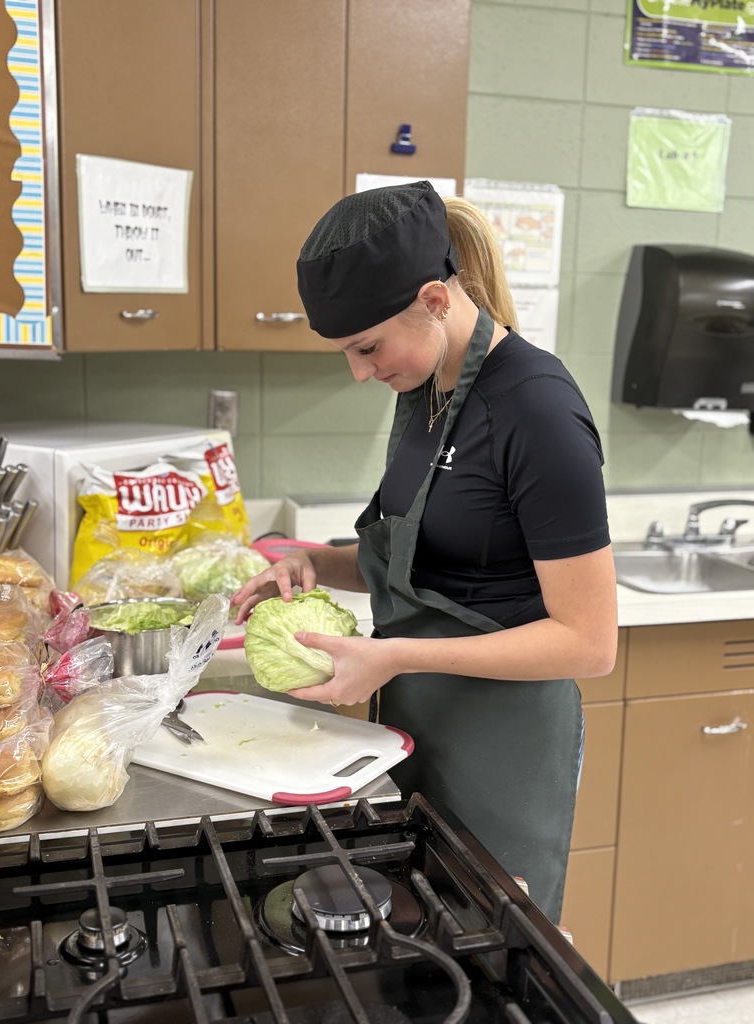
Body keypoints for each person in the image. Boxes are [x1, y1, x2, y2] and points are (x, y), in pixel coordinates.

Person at [231, 180, 617, 924]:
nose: (359, 370)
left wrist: (399, 655)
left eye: (366, 346)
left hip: (501, 753)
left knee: (488, 952)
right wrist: (315, 559)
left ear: (436, 301)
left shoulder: (537, 411)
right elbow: (424, 556)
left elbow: (589, 643)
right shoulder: (425, 392)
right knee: (419, 951)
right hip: (417, 734)